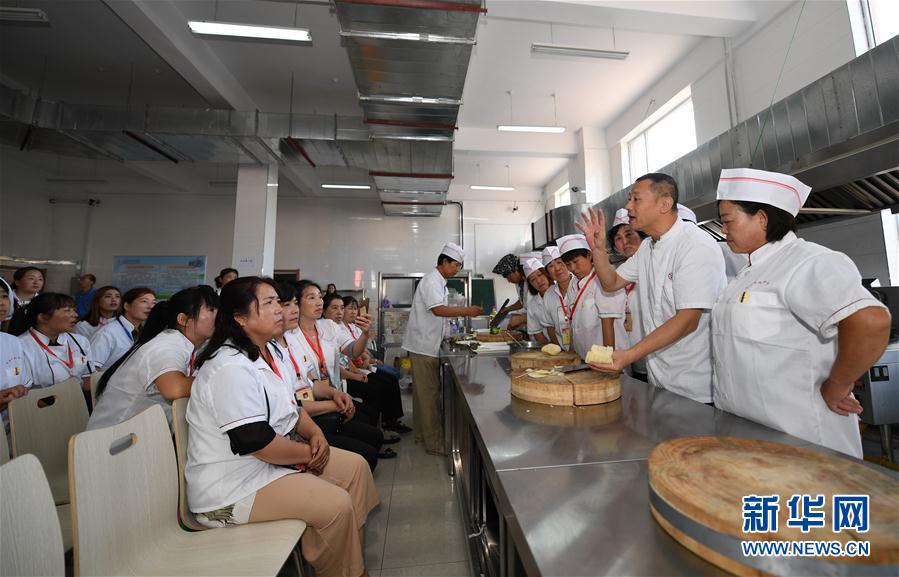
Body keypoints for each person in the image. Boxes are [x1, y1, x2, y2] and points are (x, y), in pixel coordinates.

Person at [185, 276, 378, 577]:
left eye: (279, 301)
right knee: (336, 504)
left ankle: (348, 559)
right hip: (234, 487)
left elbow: (292, 406)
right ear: (239, 318)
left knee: (357, 469)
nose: (280, 309)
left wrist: (315, 433)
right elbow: (256, 442)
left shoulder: (271, 352)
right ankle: (347, 570)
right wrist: (309, 453)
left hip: (270, 463)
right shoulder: (229, 367)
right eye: (268, 303)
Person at [712, 168, 891, 458]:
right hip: (752, 436)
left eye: (728, 220)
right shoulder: (749, 271)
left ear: (762, 218)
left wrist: (838, 385)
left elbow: (870, 321)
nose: (724, 230)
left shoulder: (808, 261)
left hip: (802, 438)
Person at [577, 173, 727, 404]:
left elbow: (688, 320)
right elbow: (611, 283)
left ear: (664, 204)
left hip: (694, 386)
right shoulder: (648, 247)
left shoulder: (695, 245)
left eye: (636, 199)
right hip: (659, 381)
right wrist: (597, 250)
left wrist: (629, 355)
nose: (628, 207)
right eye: (629, 199)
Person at [275, 283, 384, 469]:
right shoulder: (289, 338)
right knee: (367, 443)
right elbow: (297, 400)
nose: (319, 302)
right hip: (307, 413)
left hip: (324, 396)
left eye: (320, 297)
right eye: (311, 297)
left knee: (370, 426)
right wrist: (334, 402)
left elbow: (352, 352)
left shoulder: (327, 327)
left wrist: (365, 334)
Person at [87, 287, 218, 430]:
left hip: (137, 433)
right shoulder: (167, 344)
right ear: (183, 319)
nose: (218, 316)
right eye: (211, 310)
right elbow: (174, 389)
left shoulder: (184, 344)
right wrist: (222, 380)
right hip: (112, 438)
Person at [402, 243, 483, 454]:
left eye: (459, 266)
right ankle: (435, 443)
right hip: (423, 346)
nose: (457, 269)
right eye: (455, 265)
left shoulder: (440, 283)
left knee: (422, 394)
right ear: (444, 262)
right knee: (429, 394)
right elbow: (438, 310)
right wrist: (467, 310)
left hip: (425, 344)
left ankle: (422, 435)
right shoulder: (432, 281)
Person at [322, 293, 405, 448]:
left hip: (345, 375)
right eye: (335, 308)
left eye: (342, 308)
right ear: (324, 310)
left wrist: (359, 370)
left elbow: (351, 354)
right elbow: (333, 366)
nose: (340, 312)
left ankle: (386, 424)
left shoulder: (336, 329)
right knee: (376, 390)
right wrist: (356, 374)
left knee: (389, 380)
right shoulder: (322, 330)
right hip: (337, 382)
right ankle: (377, 432)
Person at [557, 234, 629, 360]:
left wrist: (608, 360)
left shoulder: (604, 280)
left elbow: (608, 323)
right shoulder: (573, 284)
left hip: (607, 357)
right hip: (585, 358)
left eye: (576, 262)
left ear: (589, 256)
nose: (573, 268)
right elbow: (573, 322)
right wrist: (572, 352)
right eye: (568, 264)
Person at [11, 293, 93, 389]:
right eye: (67, 310)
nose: (75, 315)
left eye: (74, 310)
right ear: (42, 317)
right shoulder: (20, 346)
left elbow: (87, 378)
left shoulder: (80, 341)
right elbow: (21, 389)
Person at [607, 208, 648, 380]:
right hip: (630, 361)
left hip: (659, 359)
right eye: (618, 239)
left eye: (629, 234)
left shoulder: (654, 265)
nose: (624, 242)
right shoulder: (618, 274)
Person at [89, 287, 156, 370]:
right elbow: (92, 369)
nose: (150, 307)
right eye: (144, 301)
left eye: (154, 303)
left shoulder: (143, 332)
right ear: (127, 306)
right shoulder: (107, 332)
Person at [0, 280, 31, 445]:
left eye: (4, 296)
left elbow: (24, 384)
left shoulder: (12, 342)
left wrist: (19, 391)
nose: (1, 302)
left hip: (11, 432)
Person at [540, 245, 573, 349]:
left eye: (559, 262)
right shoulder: (549, 294)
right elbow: (550, 326)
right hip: (563, 350)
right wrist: (559, 350)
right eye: (551, 266)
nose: (557, 268)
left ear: (567, 264)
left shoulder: (580, 285)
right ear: (548, 273)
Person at [521, 258, 553, 344]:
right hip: (548, 346)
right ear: (530, 285)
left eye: (540, 275)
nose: (539, 281)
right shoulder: (532, 304)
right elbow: (537, 332)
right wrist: (551, 349)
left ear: (546, 274)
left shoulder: (560, 292)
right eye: (533, 280)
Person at [491, 254, 527, 330]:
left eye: (509, 277)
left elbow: (539, 311)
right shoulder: (519, 284)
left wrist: (520, 319)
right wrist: (508, 309)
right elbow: (523, 301)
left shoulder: (531, 281)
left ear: (515, 270)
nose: (509, 281)